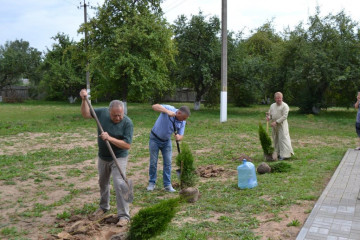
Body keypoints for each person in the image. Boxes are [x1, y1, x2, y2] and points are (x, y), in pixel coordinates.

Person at [79, 89, 133, 227]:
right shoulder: (102, 113)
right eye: (115, 115)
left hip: (119, 157)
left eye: (120, 115)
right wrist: (84, 99)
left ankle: (124, 216)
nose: (118, 118)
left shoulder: (127, 123)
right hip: (103, 156)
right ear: (109, 112)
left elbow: (127, 145)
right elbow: (85, 114)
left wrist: (110, 138)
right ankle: (104, 207)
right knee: (103, 182)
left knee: (119, 184)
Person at [146, 104, 190, 192]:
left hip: (166, 141)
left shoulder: (183, 122)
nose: (184, 120)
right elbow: (154, 106)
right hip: (154, 138)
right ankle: (152, 183)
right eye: (184, 118)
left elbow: (181, 135)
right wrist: (167, 111)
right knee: (153, 162)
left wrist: (179, 137)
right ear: (179, 112)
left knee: (168, 163)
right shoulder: (170, 108)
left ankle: (167, 185)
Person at [266, 92, 294, 160]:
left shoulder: (285, 106)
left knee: (283, 139)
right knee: (276, 139)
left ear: (282, 98)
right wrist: (269, 117)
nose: (279, 99)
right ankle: (277, 154)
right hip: (274, 126)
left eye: (280, 98)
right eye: (277, 98)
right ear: (275, 99)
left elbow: (285, 116)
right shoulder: (272, 106)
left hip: (282, 125)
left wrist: (276, 122)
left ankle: (284, 155)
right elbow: (270, 114)